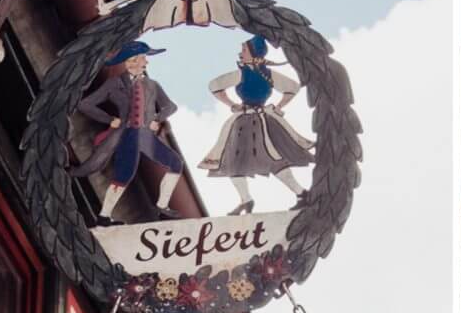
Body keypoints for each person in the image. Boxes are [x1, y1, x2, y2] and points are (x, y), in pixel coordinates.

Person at [199, 35, 314, 215]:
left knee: (271, 158)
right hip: (246, 121)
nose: (240, 53)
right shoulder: (249, 73)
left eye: (244, 50)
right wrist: (232, 105)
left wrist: (277, 106)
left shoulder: (253, 74)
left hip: (257, 122)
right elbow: (214, 86)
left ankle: (300, 193)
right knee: (234, 159)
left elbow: (292, 87)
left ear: (254, 54)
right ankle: (247, 200)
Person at [72, 41, 184, 225]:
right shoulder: (114, 84)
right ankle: (104, 216)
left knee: (175, 163)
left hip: (146, 136)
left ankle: (162, 207)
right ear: (130, 62)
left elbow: (170, 106)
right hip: (127, 135)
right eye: (143, 59)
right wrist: (109, 120)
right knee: (123, 175)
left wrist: (157, 118)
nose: (146, 63)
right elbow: (86, 104)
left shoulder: (151, 84)